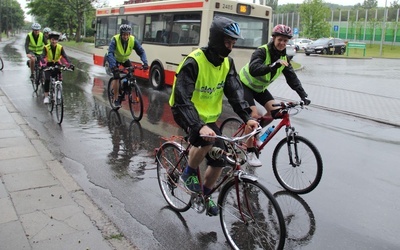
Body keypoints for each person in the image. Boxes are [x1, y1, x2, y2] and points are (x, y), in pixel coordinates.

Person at [169, 16, 259, 216]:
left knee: (220, 160)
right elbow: (182, 98)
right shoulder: (194, 62)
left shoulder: (227, 63)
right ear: (217, 40)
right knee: (206, 139)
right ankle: (189, 171)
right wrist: (198, 125)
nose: (230, 47)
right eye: (227, 42)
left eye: (233, 42)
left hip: (207, 118)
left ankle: (205, 195)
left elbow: (235, 92)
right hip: (184, 111)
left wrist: (247, 117)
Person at [239, 24, 311, 167]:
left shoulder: (284, 58)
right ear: (273, 38)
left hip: (259, 88)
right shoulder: (261, 51)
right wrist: (273, 65)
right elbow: (254, 69)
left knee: (276, 112)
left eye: (285, 41)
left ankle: (255, 132)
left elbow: (292, 78)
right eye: (280, 40)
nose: (282, 43)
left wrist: (303, 95)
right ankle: (250, 151)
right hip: (244, 84)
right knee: (253, 114)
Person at [106, 24, 149, 108]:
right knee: (116, 76)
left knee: (131, 72)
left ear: (130, 34)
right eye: (124, 34)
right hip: (115, 59)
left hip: (125, 59)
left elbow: (141, 51)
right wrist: (114, 66)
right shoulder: (115, 40)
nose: (126, 36)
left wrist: (145, 63)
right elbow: (110, 53)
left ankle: (124, 85)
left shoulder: (132, 40)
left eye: (127, 34)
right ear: (121, 34)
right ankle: (116, 99)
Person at [40, 32, 74, 104]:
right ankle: (46, 96)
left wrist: (70, 64)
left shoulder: (60, 47)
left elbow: (65, 56)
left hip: (57, 64)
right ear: (50, 40)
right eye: (52, 40)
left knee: (59, 77)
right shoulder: (46, 48)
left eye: (56, 40)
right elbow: (42, 57)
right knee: (47, 79)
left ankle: (58, 90)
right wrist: (43, 64)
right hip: (48, 65)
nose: (54, 41)